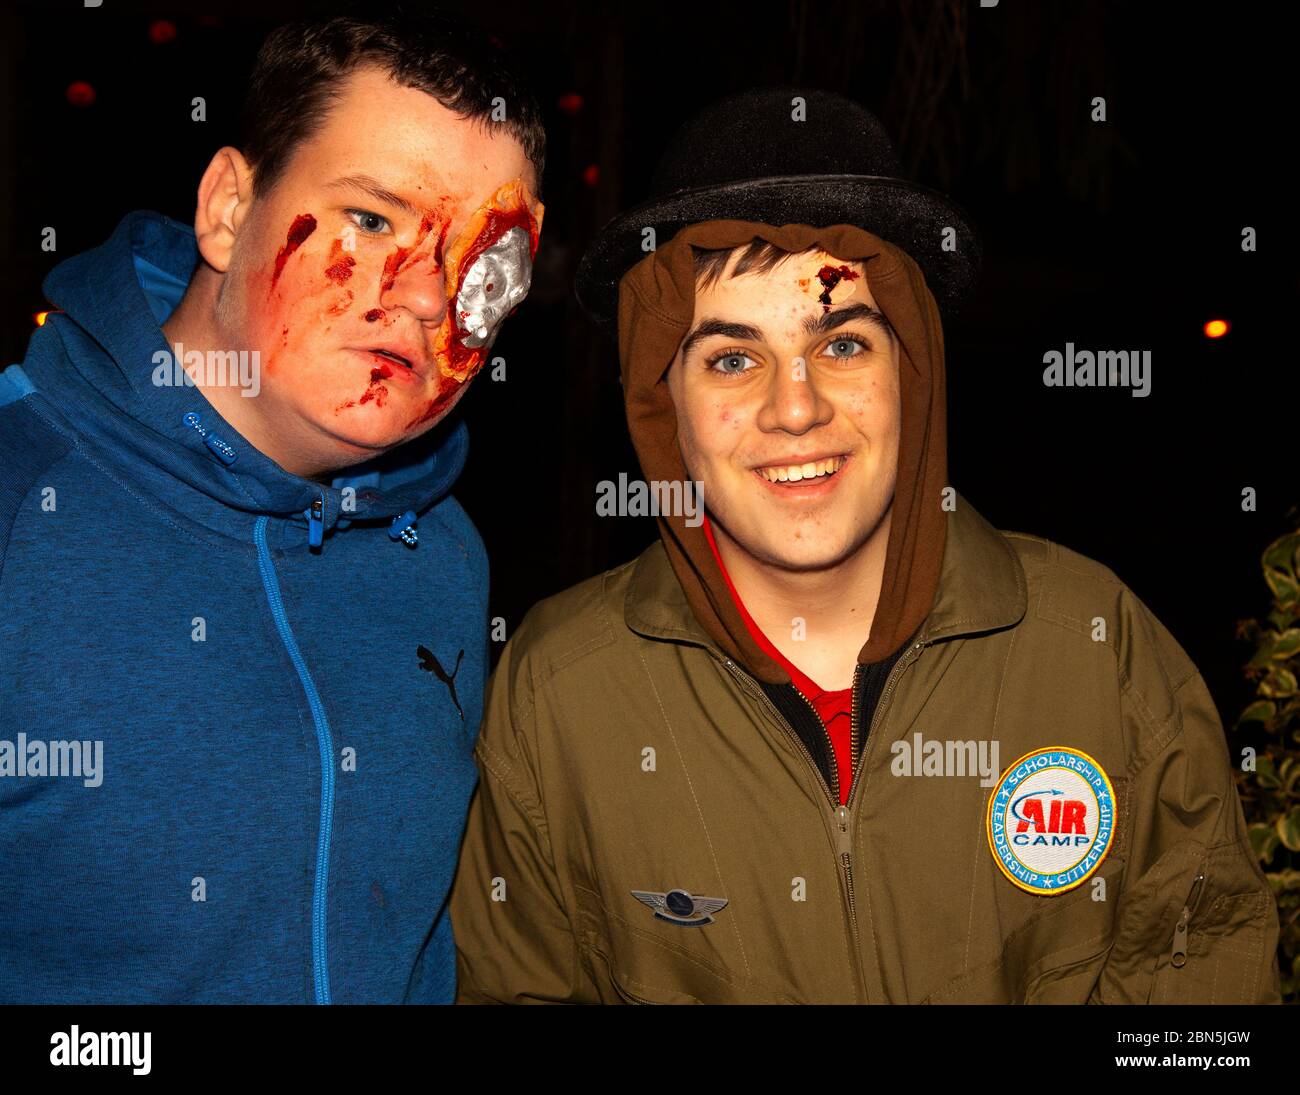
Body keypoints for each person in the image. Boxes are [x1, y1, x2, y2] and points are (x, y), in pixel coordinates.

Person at [448, 87, 1280, 1003]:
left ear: (911, 372)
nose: (795, 406)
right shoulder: (558, 693)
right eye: (732, 357)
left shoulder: (1097, 646)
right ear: (663, 407)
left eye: (842, 343)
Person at [0, 10, 544, 1003]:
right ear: (225, 207)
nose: (428, 297)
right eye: (373, 219)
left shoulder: (446, 553)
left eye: (481, 263)